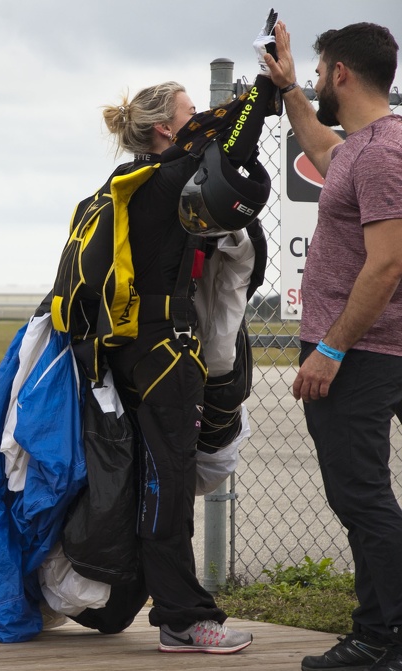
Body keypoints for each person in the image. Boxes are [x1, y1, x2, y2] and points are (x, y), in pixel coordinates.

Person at [36, 12, 282, 651]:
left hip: (129, 354)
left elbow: (224, 146)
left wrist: (266, 82)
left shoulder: (122, 185)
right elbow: (235, 143)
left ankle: (153, 603)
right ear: (163, 130)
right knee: (168, 482)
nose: (200, 120)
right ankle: (181, 618)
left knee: (159, 478)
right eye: (190, 112)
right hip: (163, 353)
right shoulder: (167, 181)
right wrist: (267, 79)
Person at [264, 20, 402, 671]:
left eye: (319, 73)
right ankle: (378, 631)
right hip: (370, 350)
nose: (317, 82)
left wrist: (333, 350)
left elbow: (386, 264)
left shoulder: (381, 154)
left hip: (364, 354)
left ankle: (385, 636)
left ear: (341, 73)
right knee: (362, 495)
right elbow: (324, 153)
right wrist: (289, 86)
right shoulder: (364, 147)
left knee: (361, 495)